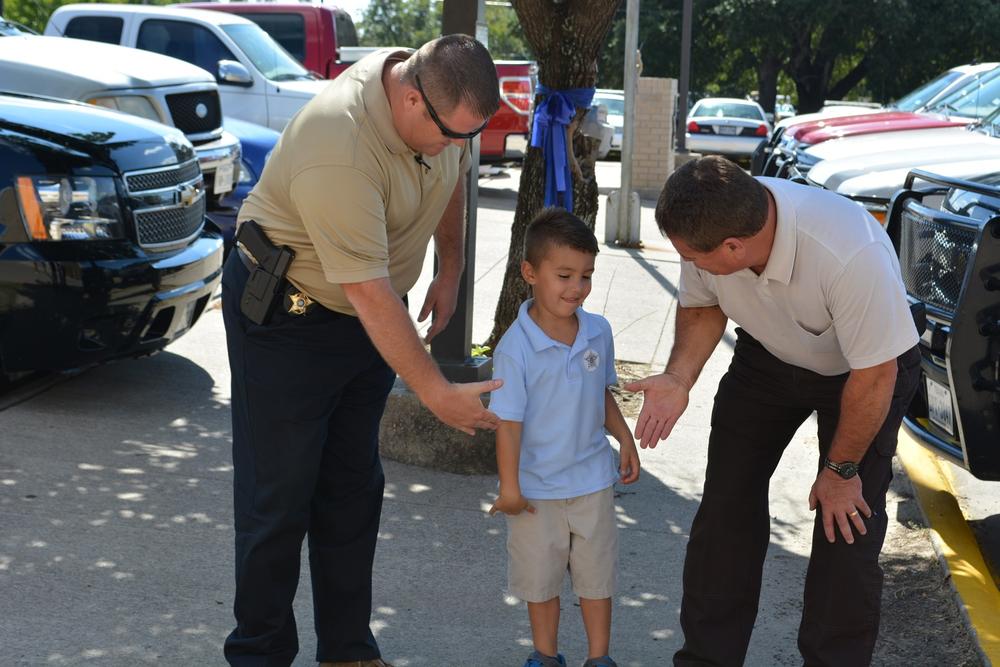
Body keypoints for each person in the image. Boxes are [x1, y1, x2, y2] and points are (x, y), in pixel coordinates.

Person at [219, 35, 503, 667]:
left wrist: (451, 265)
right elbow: (370, 294)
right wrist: (437, 393)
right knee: (279, 495)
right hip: (289, 314)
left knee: (353, 487)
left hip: (364, 315)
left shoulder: (437, 106)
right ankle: (259, 653)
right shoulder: (338, 142)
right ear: (409, 99)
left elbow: (452, 171)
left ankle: (347, 649)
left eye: (470, 135)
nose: (458, 146)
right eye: (450, 133)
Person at [626, 156, 920, 666]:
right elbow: (701, 305)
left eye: (693, 257)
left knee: (844, 528)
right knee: (724, 514)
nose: (686, 263)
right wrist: (678, 378)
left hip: (864, 372)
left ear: (734, 247)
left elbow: (875, 376)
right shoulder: (708, 220)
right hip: (767, 357)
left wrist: (840, 469)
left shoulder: (849, 250)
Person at [488, 208, 641, 667]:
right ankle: (546, 656)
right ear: (530, 273)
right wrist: (510, 488)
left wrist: (624, 437)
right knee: (541, 582)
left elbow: (601, 396)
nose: (576, 288)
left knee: (597, 581)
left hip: (592, 481)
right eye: (564, 275)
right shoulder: (514, 349)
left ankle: (600, 658)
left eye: (586, 276)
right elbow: (508, 423)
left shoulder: (597, 331)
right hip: (535, 491)